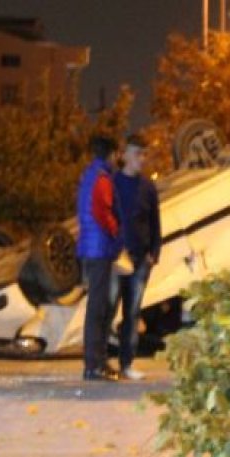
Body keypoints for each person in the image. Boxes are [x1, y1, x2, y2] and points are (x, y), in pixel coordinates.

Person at [112, 134, 163, 381]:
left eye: (144, 154)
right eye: (137, 154)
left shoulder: (147, 187)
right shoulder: (112, 183)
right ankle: (100, 364)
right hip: (116, 258)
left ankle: (126, 364)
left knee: (132, 313)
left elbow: (155, 221)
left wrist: (155, 252)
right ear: (125, 155)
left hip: (141, 259)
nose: (142, 159)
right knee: (108, 310)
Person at [76, 135, 121, 381]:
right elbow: (102, 212)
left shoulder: (88, 176)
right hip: (100, 249)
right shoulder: (102, 179)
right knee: (99, 308)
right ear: (111, 154)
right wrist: (117, 232)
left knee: (97, 307)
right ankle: (95, 364)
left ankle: (95, 363)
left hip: (90, 247)